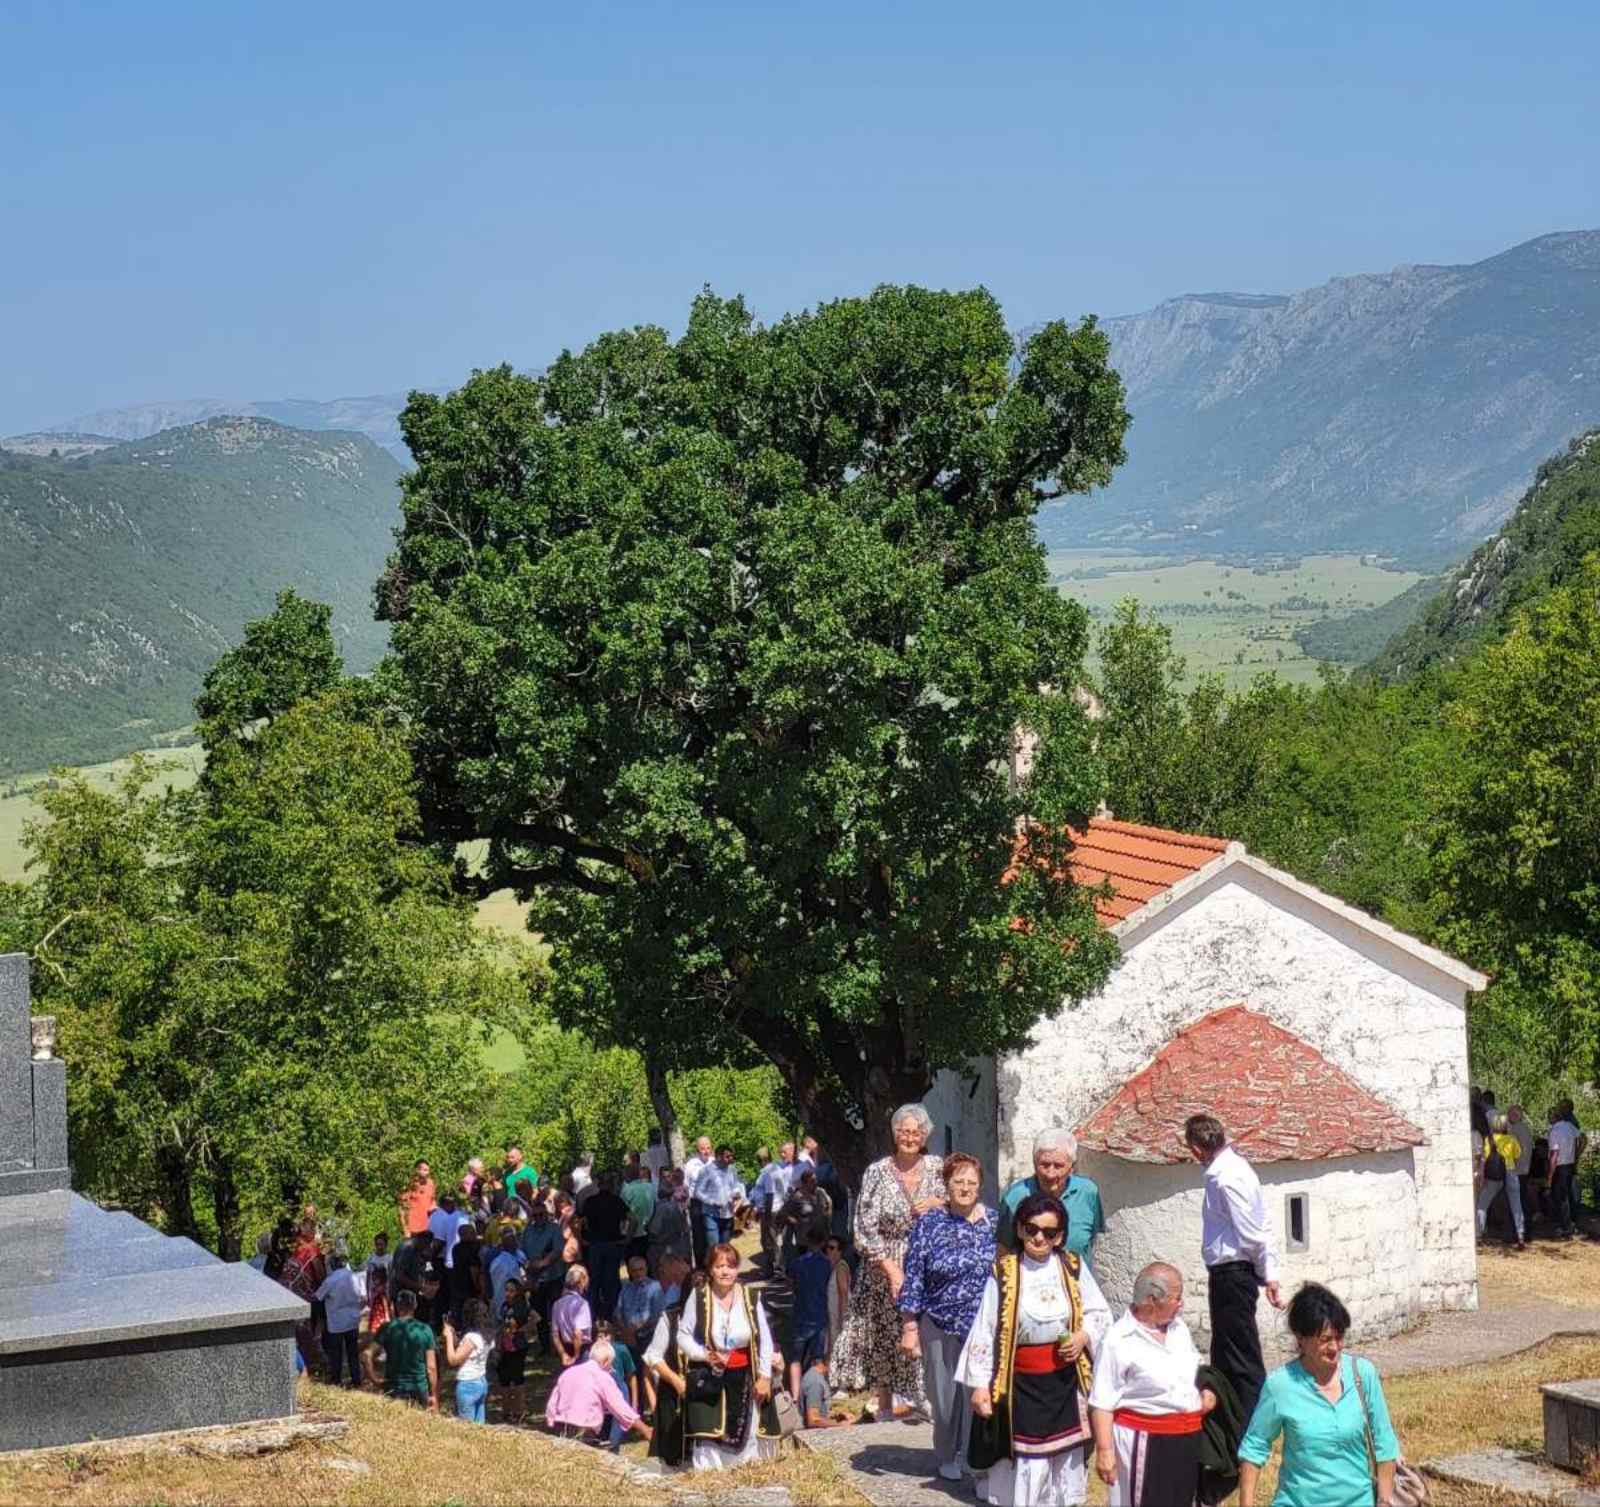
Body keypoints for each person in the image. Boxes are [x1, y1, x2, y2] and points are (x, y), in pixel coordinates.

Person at [957, 1191, 1112, 1507]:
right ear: (1019, 1229)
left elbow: (1100, 1313)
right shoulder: (1004, 1271)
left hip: (1064, 1383)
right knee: (1027, 1456)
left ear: (1060, 1237)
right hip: (1019, 1384)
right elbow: (985, 1329)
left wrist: (1083, 1336)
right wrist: (979, 1387)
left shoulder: (1072, 1267)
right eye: (1032, 1229)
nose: (1039, 1238)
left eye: (1049, 1232)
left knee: (1063, 1455)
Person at [831, 1103, 946, 1420]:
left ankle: (924, 1400)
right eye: (904, 1131)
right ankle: (883, 1407)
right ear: (895, 1135)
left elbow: (959, 1201)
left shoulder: (938, 1167)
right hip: (883, 1266)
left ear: (924, 1135)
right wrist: (891, 1269)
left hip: (926, 1264)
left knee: (922, 1332)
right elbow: (862, 1227)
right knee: (884, 1336)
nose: (910, 1137)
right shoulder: (877, 1172)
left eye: (916, 1132)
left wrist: (938, 1202)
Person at [1237, 1283, 1398, 1507]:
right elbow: (1254, 1448)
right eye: (1324, 1339)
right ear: (1301, 1338)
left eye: (1339, 1337)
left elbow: (1385, 1443)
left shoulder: (1363, 1374)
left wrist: (1384, 1500)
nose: (1335, 1347)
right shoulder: (1280, 1385)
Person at [897, 1152, 999, 1481]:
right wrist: (910, 1325)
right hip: (938, 1322)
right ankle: (947, 1451)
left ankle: (975, 1458)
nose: (965, 1187)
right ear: (946, 1184)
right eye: (958, 1181)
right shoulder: (930, 1222)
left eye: (971, 1181)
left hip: (982, 1326)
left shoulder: (995, 1224)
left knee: (977, 1393)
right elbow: (913, 1274)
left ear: (980, 1186)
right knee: (943, 1401)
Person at [1088, 1262, 1215, 1507]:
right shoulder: (1118, 1339)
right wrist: (1105, 1451)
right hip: (1143, 1445)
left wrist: (1204, 1391)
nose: (1181, 1303)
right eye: (1176, 1297)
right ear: (1152, 1299)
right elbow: (1101, 1401)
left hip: (1186, 1440)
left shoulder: (1179, 1329)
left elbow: (1192, 1371)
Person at [1184, 1113, 1283, 1423]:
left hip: (1233, 1272)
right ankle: (1230, 1416)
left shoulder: (1226, 1177)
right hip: (1230, 1272)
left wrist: (1268, 1272)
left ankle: (1253, 1420)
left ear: (1197, 1149)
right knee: (1227, 1350)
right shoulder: (1233, 1169)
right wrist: (1269, 1272)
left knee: (1240, 1353)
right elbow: (1261, 1222)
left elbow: (1252, 1232)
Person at [667, 1243, 782, 1469]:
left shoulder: (750, 1297)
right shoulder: (699, 1297)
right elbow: (683, 1335)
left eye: (730, 1266)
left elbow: (765, 1338)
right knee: (711, 1432)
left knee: (748, 1429)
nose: (725, 1272)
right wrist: (704, 1355)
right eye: (719, 1266)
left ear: (737, 1269)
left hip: (745, 1376)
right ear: (710, 1269)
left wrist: (765, 1376)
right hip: (711, 1377)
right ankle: (714, 1479)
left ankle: (746, 1475)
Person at [998, 1129, 1106, 1265]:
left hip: (1077, 1282)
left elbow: (1092, 1240)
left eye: (1058, 1166)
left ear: (1072, 1167)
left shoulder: (1088, 1193)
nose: (1050, 1174)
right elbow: (1003, 1249)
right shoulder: (1015, 1197)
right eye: (1044, 1165)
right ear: (1034, 1164)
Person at [546, 1335, 655, 1445]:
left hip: (559, 1428)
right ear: (606, 1361)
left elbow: (552, 1402)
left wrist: (550, 1423)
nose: (611, 1370)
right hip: (584, 1431)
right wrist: (645, 1429)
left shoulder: (568, 1373)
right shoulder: (603, 1377)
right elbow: (620, 1407)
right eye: (611, 1365)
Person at [366, 1288, 439, 1409]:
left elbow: (366, 1355)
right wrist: (434, 1395)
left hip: (394, 1388)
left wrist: (374, 1380)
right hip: (419, 1388)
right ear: (415, 1306)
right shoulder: (425, 1330)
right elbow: (431, 1368)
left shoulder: (387, 1328)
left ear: (396, 1306)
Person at [787, 1232, 836, 1400]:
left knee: (795, 1359)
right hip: (820, 1316)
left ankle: (795, 1395)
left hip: (800, 1314)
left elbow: (790, 1283)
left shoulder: (796, 1263)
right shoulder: (827, 1264)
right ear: (823, 1242)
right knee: (817, 1358)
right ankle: (817, 1393)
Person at [582, 1172, 633, 1323]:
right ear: (611, 1185)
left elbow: (579, 1222)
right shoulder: (617, 1201)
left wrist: (582, 1239)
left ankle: (593, 1315)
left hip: (595, 1245)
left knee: (595, 1281)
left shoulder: (590, 1201)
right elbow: (633, 1219)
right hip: (612, 1245)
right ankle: (612, 1315)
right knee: (612, 1282)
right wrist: (627, 1238)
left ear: (599, 1185)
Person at [313, 1254, 366, 1388]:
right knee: (352, 1353)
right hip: (352, 1320)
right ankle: (356, 1380)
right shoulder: (354, 1276)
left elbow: (318, 1297)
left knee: (336, 1353)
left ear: (332, 1265)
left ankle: (336, 1380)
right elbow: (363, 1297)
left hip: (336, 1323)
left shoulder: (330, 1281)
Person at [442, 1299, 493, 1422]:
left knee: (467, 1427)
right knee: (479, 1425)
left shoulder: (471, 1338)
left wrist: (448, 1337)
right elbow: (466, 1350)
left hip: (468, 1384)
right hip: (481, 1381)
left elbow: (453, 1360)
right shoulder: (486, 1336)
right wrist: (454, 1335)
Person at [615, 1254, 666, 1370]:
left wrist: (635, 1330)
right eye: (634, 1270)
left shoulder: (655, 1287)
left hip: (648, 1337)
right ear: (629, 1272)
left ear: (646, 1269)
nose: (638, 1273)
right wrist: (626, 1332)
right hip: (627, 1336)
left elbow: (656, 1317)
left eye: (641, 1269)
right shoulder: (626, 1289)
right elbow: (617, 1313)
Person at [494, 1275, 533, 1424]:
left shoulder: (522, 1306)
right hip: (505, 1346)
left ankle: (519, 1411)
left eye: (512, 1290)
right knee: (504, 1379)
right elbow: (501, 1326)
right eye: (506, 1290)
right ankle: (506, 1410)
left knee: (517, 1379)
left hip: (517, 1347)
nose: (508, 1293)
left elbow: (536, 1318)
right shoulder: (504, 1306)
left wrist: (523, 1330)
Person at [695, 1145, 743, 1254]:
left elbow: (735, 1185)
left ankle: (723, 1269)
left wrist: (736, 1193)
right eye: (727, 1156)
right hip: (711, 1215)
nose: (731, 1159)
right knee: (714, 1249)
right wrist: (712, 1202)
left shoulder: (732, 1169)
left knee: (725, 1248)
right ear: (718, 1157)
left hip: (728, 1214)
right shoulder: (706, 1171)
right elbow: (697, 1192)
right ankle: (711, 1270)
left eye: (732, 1156)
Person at [648, 1169, 695, 1276]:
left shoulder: (662, 1207)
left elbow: (654, 1230)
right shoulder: (675, 1207)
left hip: (665, 1248)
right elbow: (683, 1228)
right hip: (676, 1245)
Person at [1548, 1104, 1580, 1238]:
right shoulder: (1570, 1126)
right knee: (1568, 1195)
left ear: (1553, 1118)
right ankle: (1570, 1223)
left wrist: (1550, 1175)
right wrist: (1576, 1153)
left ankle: (1565, 1227)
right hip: (1570, 1164)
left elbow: (1554, 1154)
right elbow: (1582, 1138)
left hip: (1560, 1166)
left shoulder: (1554, 1131)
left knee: (1560, 1198)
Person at [553, 1264, 595, 1366]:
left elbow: (555, 1334)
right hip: (581, 1349)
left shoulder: (557, 1304)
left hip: (565, 1347)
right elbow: (578, 1333)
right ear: (582, 1281)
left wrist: (563, 1354)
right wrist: (576, 1356)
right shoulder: (582, 1304)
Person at [684, 1135, 715, 1268]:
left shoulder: (715, 1163)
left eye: (708, 1148)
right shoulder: (691, 1164)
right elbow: (686, 1185)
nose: (706, 1151)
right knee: (699, 1238)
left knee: (712, 1237)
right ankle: (701, 1269)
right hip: (696, 1204)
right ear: (698, 1149)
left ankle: (714, 1265)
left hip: (712, 1203)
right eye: (703, 1148)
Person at [1506, 1106, 1534, 1250]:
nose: (1507, 1116)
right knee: (1523, 1201)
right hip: (1524, 1169)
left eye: (1509, 1113)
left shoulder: (1516, 1130)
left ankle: (1518, 1234)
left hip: (1517, 1171)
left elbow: (1516, 1152)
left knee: (1518, 1203)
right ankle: (1526, 1233)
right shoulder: (1524, 1128)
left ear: (1516, 1115)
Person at [799, 1356, 854, 1428]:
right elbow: (813, 1420)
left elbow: (819, 1411)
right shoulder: (815, 1383)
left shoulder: (813, 1375)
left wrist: (838, 1416)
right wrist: (841, 1424)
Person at [622, 1163, 657, 1265]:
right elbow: (655, 1207)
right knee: (646, 1263)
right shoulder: (650, 1187)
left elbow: (623, 1213)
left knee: (633, 1265)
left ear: (628, 1175)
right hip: (646, 1231)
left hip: (631, 1234)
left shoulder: (627, 1191)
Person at [825, 1234, 852, 1356]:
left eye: (832, 1247)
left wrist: (843, 1320)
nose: (828, 1250)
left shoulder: (841, 1267)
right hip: (833, 1319)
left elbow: (844, 1293)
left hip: (839, 1319)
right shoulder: (833, 1268)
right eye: (827, 1247)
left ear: (840, 1251)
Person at [399, 1159, 436, 1239]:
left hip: (427, 1229)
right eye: (425, 1170)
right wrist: (405, 1229)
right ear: (417, 1170)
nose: (427, 1173)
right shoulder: (409, 1185)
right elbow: (402, 1209)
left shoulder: (431, 1183)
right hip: (413, 1230)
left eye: (428, 1170)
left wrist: (434, 1208)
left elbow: (432, 1201)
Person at [365, 1231, 393, 1331]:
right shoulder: (371, 1258)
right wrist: (367, 1294)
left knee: (387, 1319)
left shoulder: (389, 1258)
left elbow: (391, 1276)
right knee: (375, 1323)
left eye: (381, 1244)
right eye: (377, 1244)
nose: (379, 1247)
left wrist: (390, 1293)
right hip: (374, 1293)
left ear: (385, 1245)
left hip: (386, 1292)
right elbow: (368, 1277)